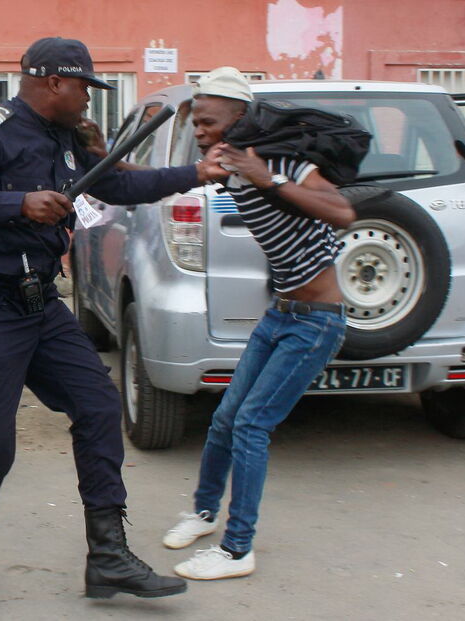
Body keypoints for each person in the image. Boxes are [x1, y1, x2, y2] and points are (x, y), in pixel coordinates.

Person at [0, 37, 227, 620]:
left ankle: (108, 555)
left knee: (98, 406)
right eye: (84, 86)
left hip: (40, 305)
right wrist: (19, 203)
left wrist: (195, 172)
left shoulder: (63, 138)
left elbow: (116, 186)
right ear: (54, 83)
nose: (89, 98)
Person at [160, 67, 354, 580]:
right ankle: (204, 513)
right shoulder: (226, 167)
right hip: (280, 314)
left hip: (316, 322)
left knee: (251, 425)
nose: (200, 131)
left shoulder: (283, 161)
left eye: (208, 121)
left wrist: (272, 179)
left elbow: (343, 212)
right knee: (226, 417)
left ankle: (237, 549)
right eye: (195, 123)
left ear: (240, 117)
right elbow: (170, 178)